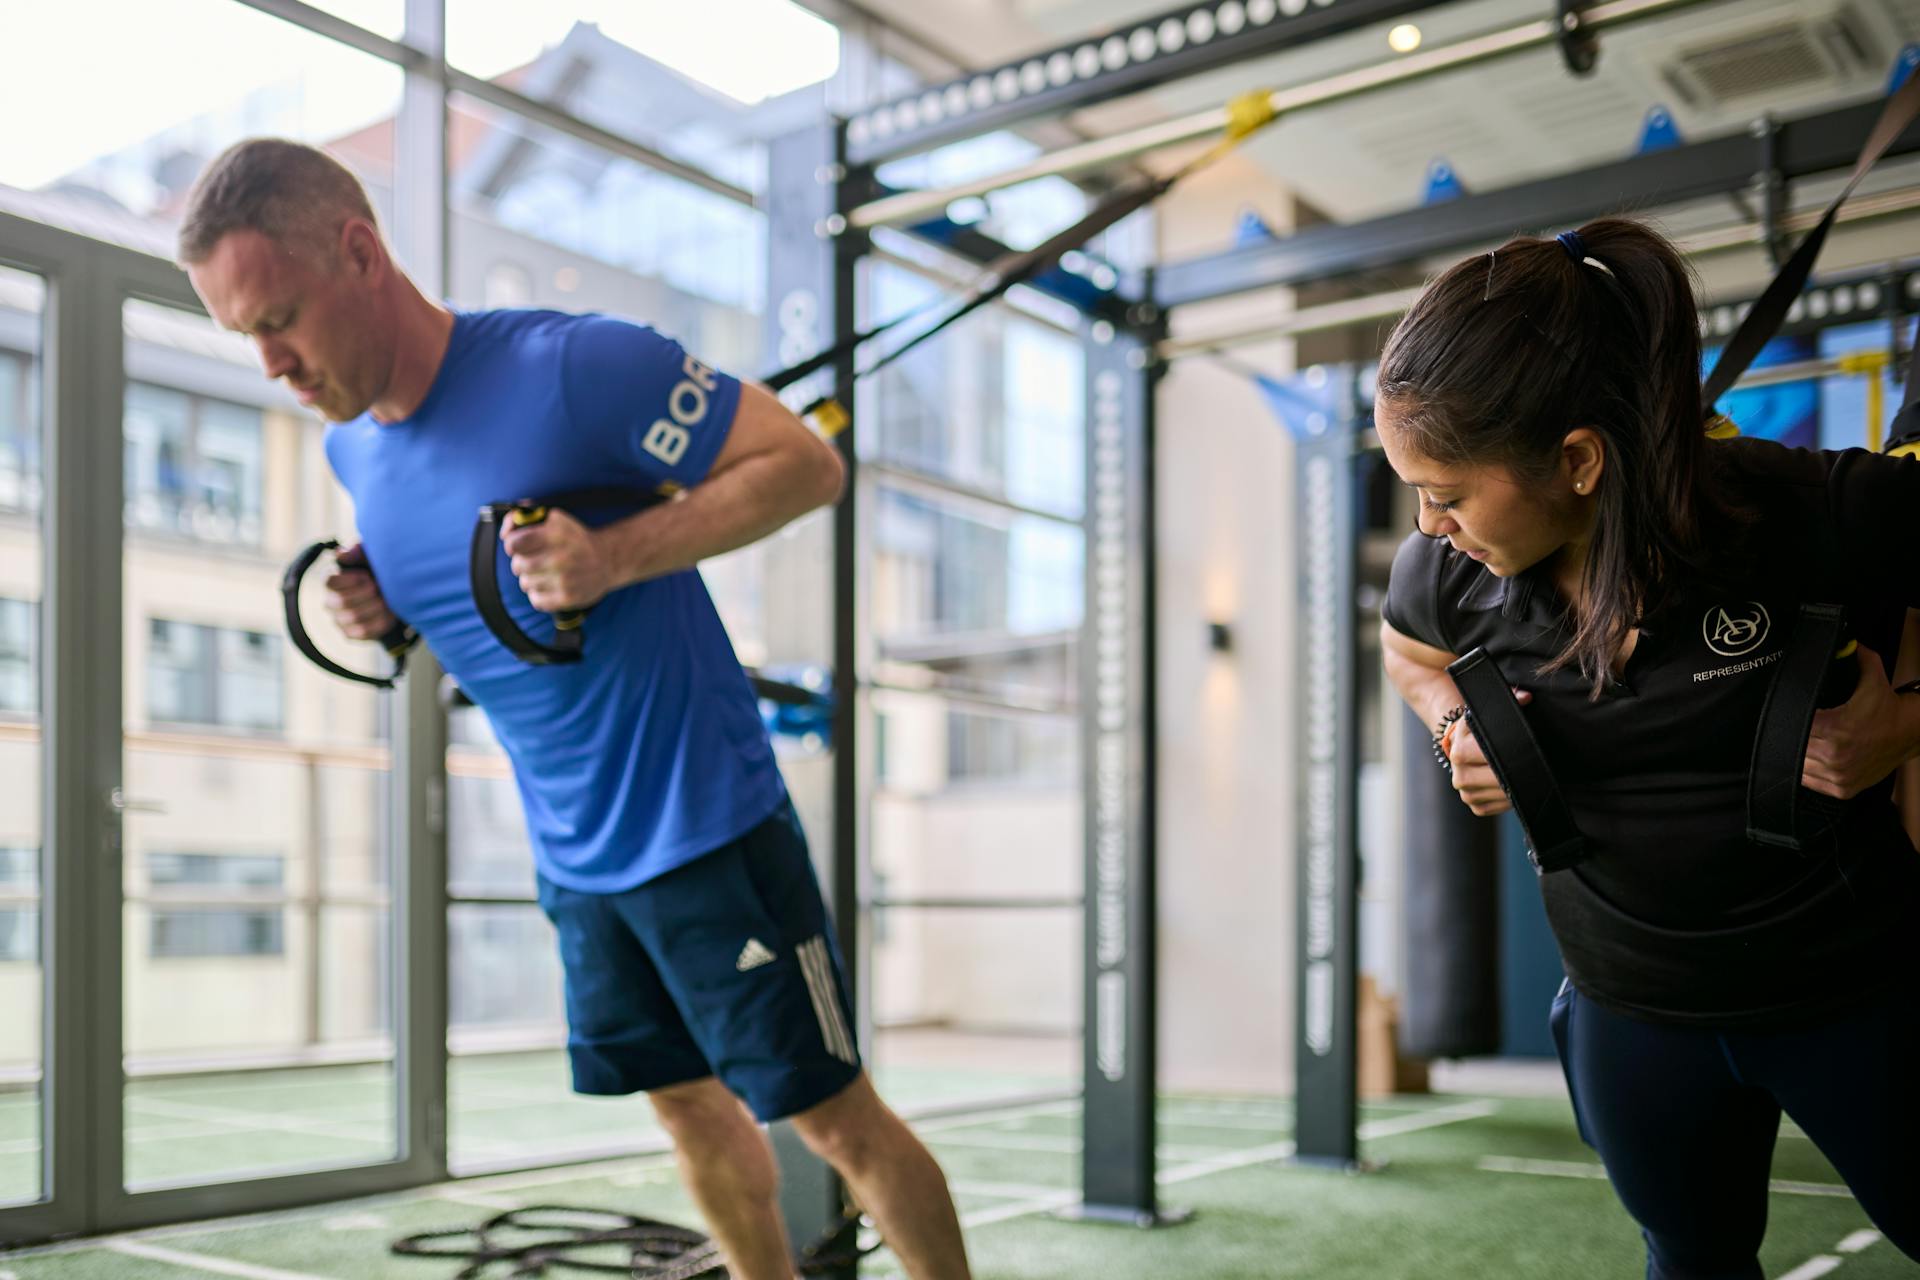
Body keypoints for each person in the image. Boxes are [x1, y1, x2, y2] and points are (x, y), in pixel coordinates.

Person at [177, 138, 971, 1280]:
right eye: (242, 335)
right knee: (688, 1114)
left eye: (280, 318)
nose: (270, 363)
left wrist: (616, 552)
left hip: (708, 824)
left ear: (359, 251)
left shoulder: (575, 369)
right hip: (576, 855)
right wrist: (386, 611)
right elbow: (474, 599)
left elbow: (801, 464)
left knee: (835, 1120)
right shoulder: (354, 448)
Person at [1376, 217, 1919, 1277]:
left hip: (1856, 993)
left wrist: (1909, 715)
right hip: (1631, 1014)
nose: (1428, 523)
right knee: (1690, 1257)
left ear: (1577, 460)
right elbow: (1403, 649)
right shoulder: (1452, 574)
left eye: (1447, 492)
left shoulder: (1807, 513)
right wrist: (1453, 724)